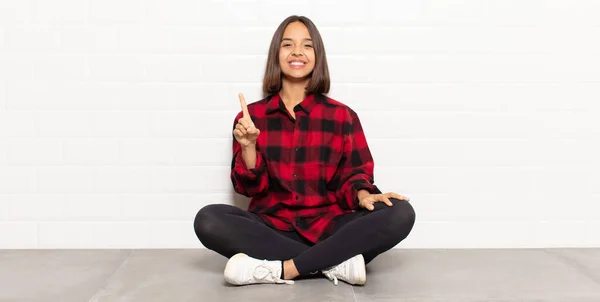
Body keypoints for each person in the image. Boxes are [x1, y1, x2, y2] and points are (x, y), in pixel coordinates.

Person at [194, 15, 416, 286]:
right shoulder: (251, 117)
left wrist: (363, 195)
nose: (297, 51)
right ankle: (332, 263)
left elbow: (354, 175)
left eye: (307, 45)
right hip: (272, 228)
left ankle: (283, 269)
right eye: (288, 44)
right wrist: (249, 147)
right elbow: (249, 189)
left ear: (317, 56)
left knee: (401, 212)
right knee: (208, 220)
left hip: (331, 228)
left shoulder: (342, 116)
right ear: (277, 54)